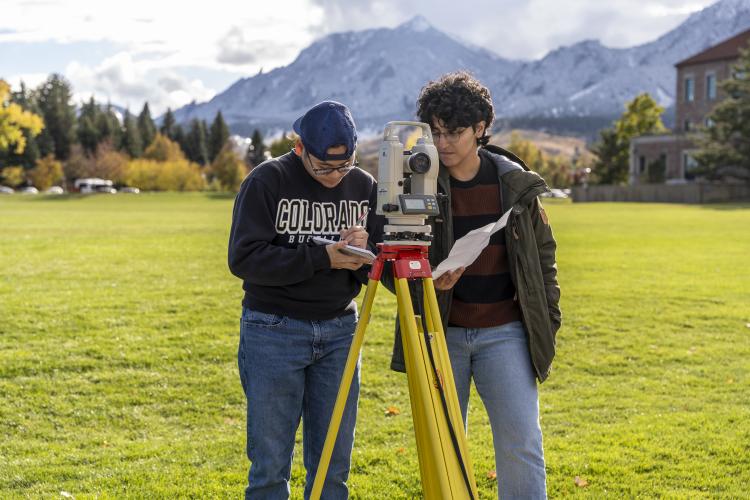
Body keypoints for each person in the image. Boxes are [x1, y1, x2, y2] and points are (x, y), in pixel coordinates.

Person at [386, 72, 561, 499]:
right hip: (440, 332)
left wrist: (547, 320)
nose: (443, 143)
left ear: (481, 128)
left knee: (521, 444)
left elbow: (544, 259)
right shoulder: (414, 181)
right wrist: (428, 281)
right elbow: (393, 263)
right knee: (444, 448)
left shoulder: (514, 186)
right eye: (436, 132)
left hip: (506, 334)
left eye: (455, 132)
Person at [228, 100, 382, 499]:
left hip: (339, 331)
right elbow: (244, 259)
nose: (334, 176)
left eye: (343, 165)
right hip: (273, 329)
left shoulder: (364, 185)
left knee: (333, 463)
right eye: (324, 167)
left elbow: (376, 267)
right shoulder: (267, 181)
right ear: (300, 148)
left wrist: (364, 252)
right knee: (270, 466)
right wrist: (321, 258)